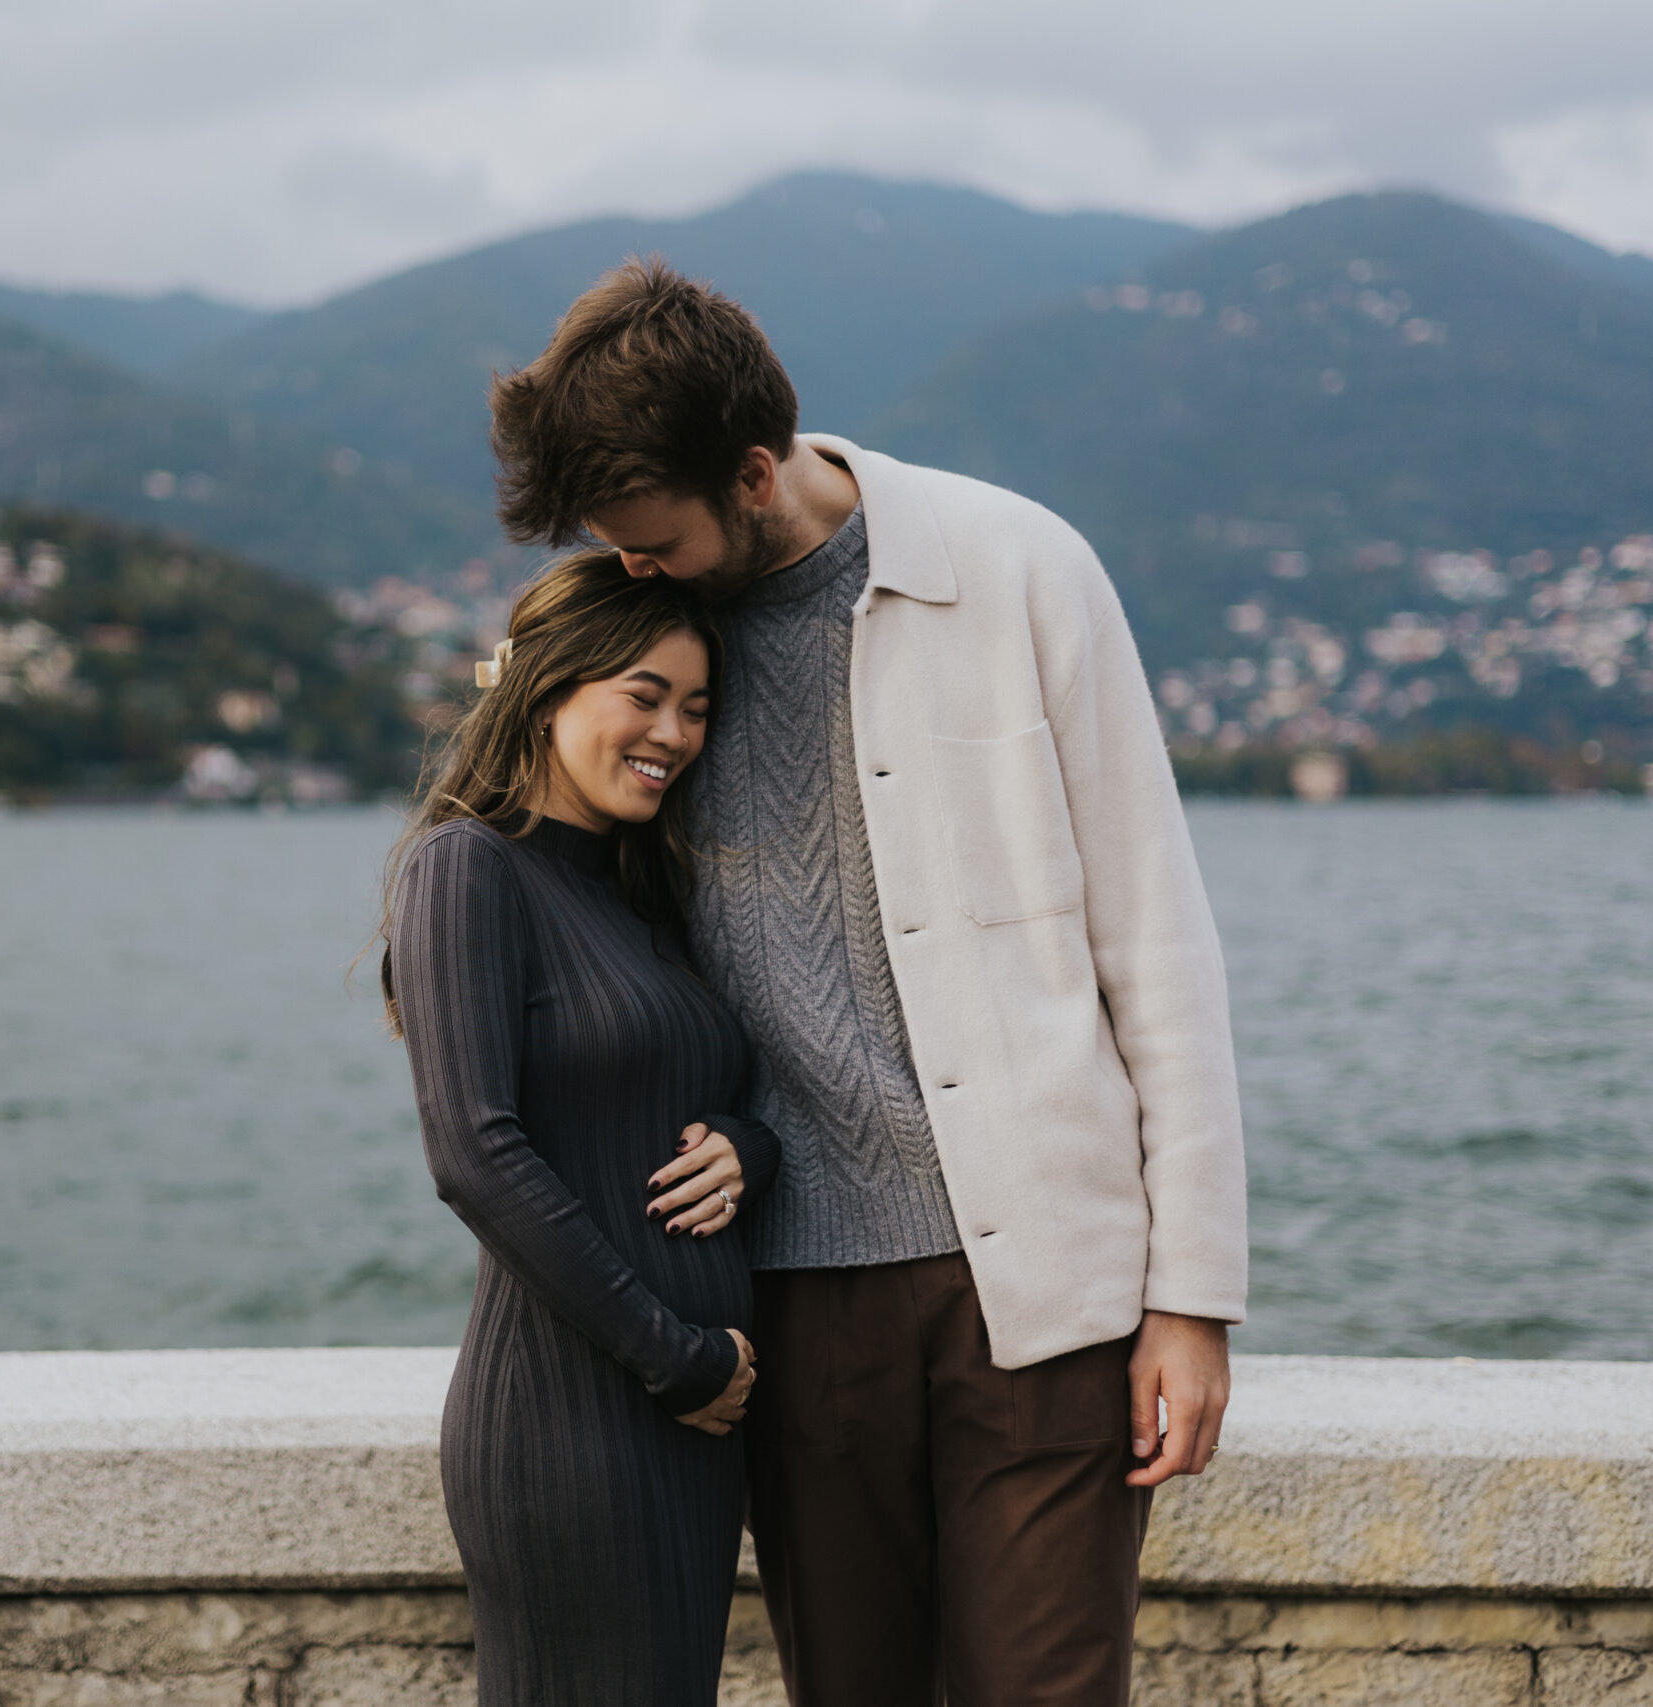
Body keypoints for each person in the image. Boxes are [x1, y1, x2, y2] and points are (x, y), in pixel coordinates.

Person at [485, 259, 1250, 1707]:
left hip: (1040, 1286)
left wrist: (1193, 1295)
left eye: (651, 539)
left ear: (755, 473)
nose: (631, 570)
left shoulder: (1021, 567)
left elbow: (1158, 940)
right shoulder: (662, 662)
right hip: (792, 1303)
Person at [379, 550, 784, 1706]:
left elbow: (714, 1095)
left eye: (697, 708)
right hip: (576, 1423)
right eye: (644, 696)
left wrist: (749, 1150)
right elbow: (472, 1151)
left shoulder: (635, 889)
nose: (675, 732)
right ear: (549, 691)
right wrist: (677, 1358)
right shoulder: (469, 869)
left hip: (688, 1427)